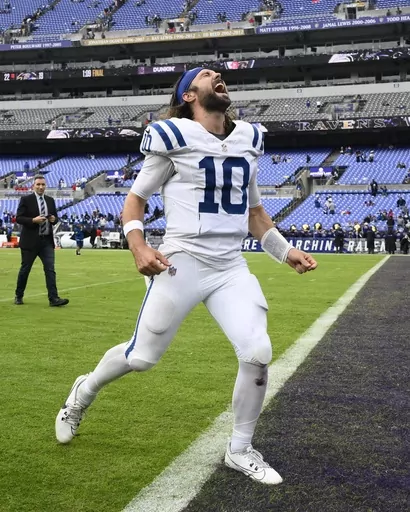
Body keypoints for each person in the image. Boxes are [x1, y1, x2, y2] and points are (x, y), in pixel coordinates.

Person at [54, 67, 317, 485]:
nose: (219, 75)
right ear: (190, 95)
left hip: (230, 265)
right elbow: (135, 201)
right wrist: (138, 246)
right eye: (208, 74)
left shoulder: (247, 139)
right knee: (141, 357)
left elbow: (254, 214)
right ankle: (82, 392)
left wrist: (287, 253)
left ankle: (240, 448)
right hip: (183, 260)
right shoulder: (172, 136)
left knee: (257, 351)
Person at [14, 175, 69, 306]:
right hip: (30, 241)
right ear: (33, 186)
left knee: (50, 270)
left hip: (46, 241)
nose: (40, 187)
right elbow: (19, 218)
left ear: (46, 186)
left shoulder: (50, 200)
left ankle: (53, 298)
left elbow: (55, 218)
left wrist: (53, 220)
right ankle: (19, 295)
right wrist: (33, 220)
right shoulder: (26, 199)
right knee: (25, 269)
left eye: (43, 184)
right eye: (38, 184)